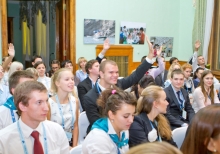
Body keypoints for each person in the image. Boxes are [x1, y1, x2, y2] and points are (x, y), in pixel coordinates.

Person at [84, 35, 155, 133]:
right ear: (101, 74)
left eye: (117, 72)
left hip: (122, 130)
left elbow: (135, 76)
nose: (115, 75)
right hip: (101, 134)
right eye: (111, 72)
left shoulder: (119, 84)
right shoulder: (90, 97)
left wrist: (150, 56)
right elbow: (96, 122)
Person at [0, 81, 69, 154]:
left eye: (46, 101)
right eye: (39, 102)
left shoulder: (56, 131)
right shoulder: (4, 139)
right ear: (23, 106)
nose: (46, 108)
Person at [82, 88, 137, 154]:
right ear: (111, 115)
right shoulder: (98, 139)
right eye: (126, 116)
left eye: (133, 115)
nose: (131, 120)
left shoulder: (123, 129)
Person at [48, 68, 79, 147]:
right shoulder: (49, 103)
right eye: (67, 79)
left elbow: (75, 126)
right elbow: (46, 129)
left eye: (72, 79)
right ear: (57, 83)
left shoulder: (75, 101)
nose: (71, 82)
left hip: (70, 142)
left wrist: (74, 147)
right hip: (54, 144)